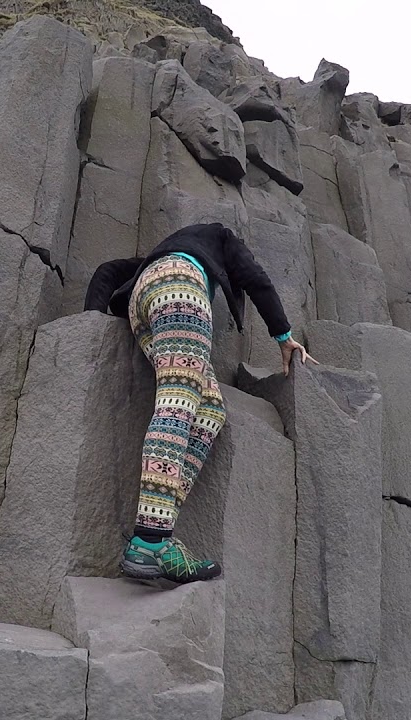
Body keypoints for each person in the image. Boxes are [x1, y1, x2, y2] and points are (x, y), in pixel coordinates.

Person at [84, 222, 317, 583]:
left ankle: (154, 526)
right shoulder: (218, 236)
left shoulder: (160, 254)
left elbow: (107, 271)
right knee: (177, 404)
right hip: (180, 290)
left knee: (208, 411)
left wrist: (91, 320)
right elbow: (256, 278)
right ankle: (151, 541)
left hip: (141, 304)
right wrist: (283, 336)